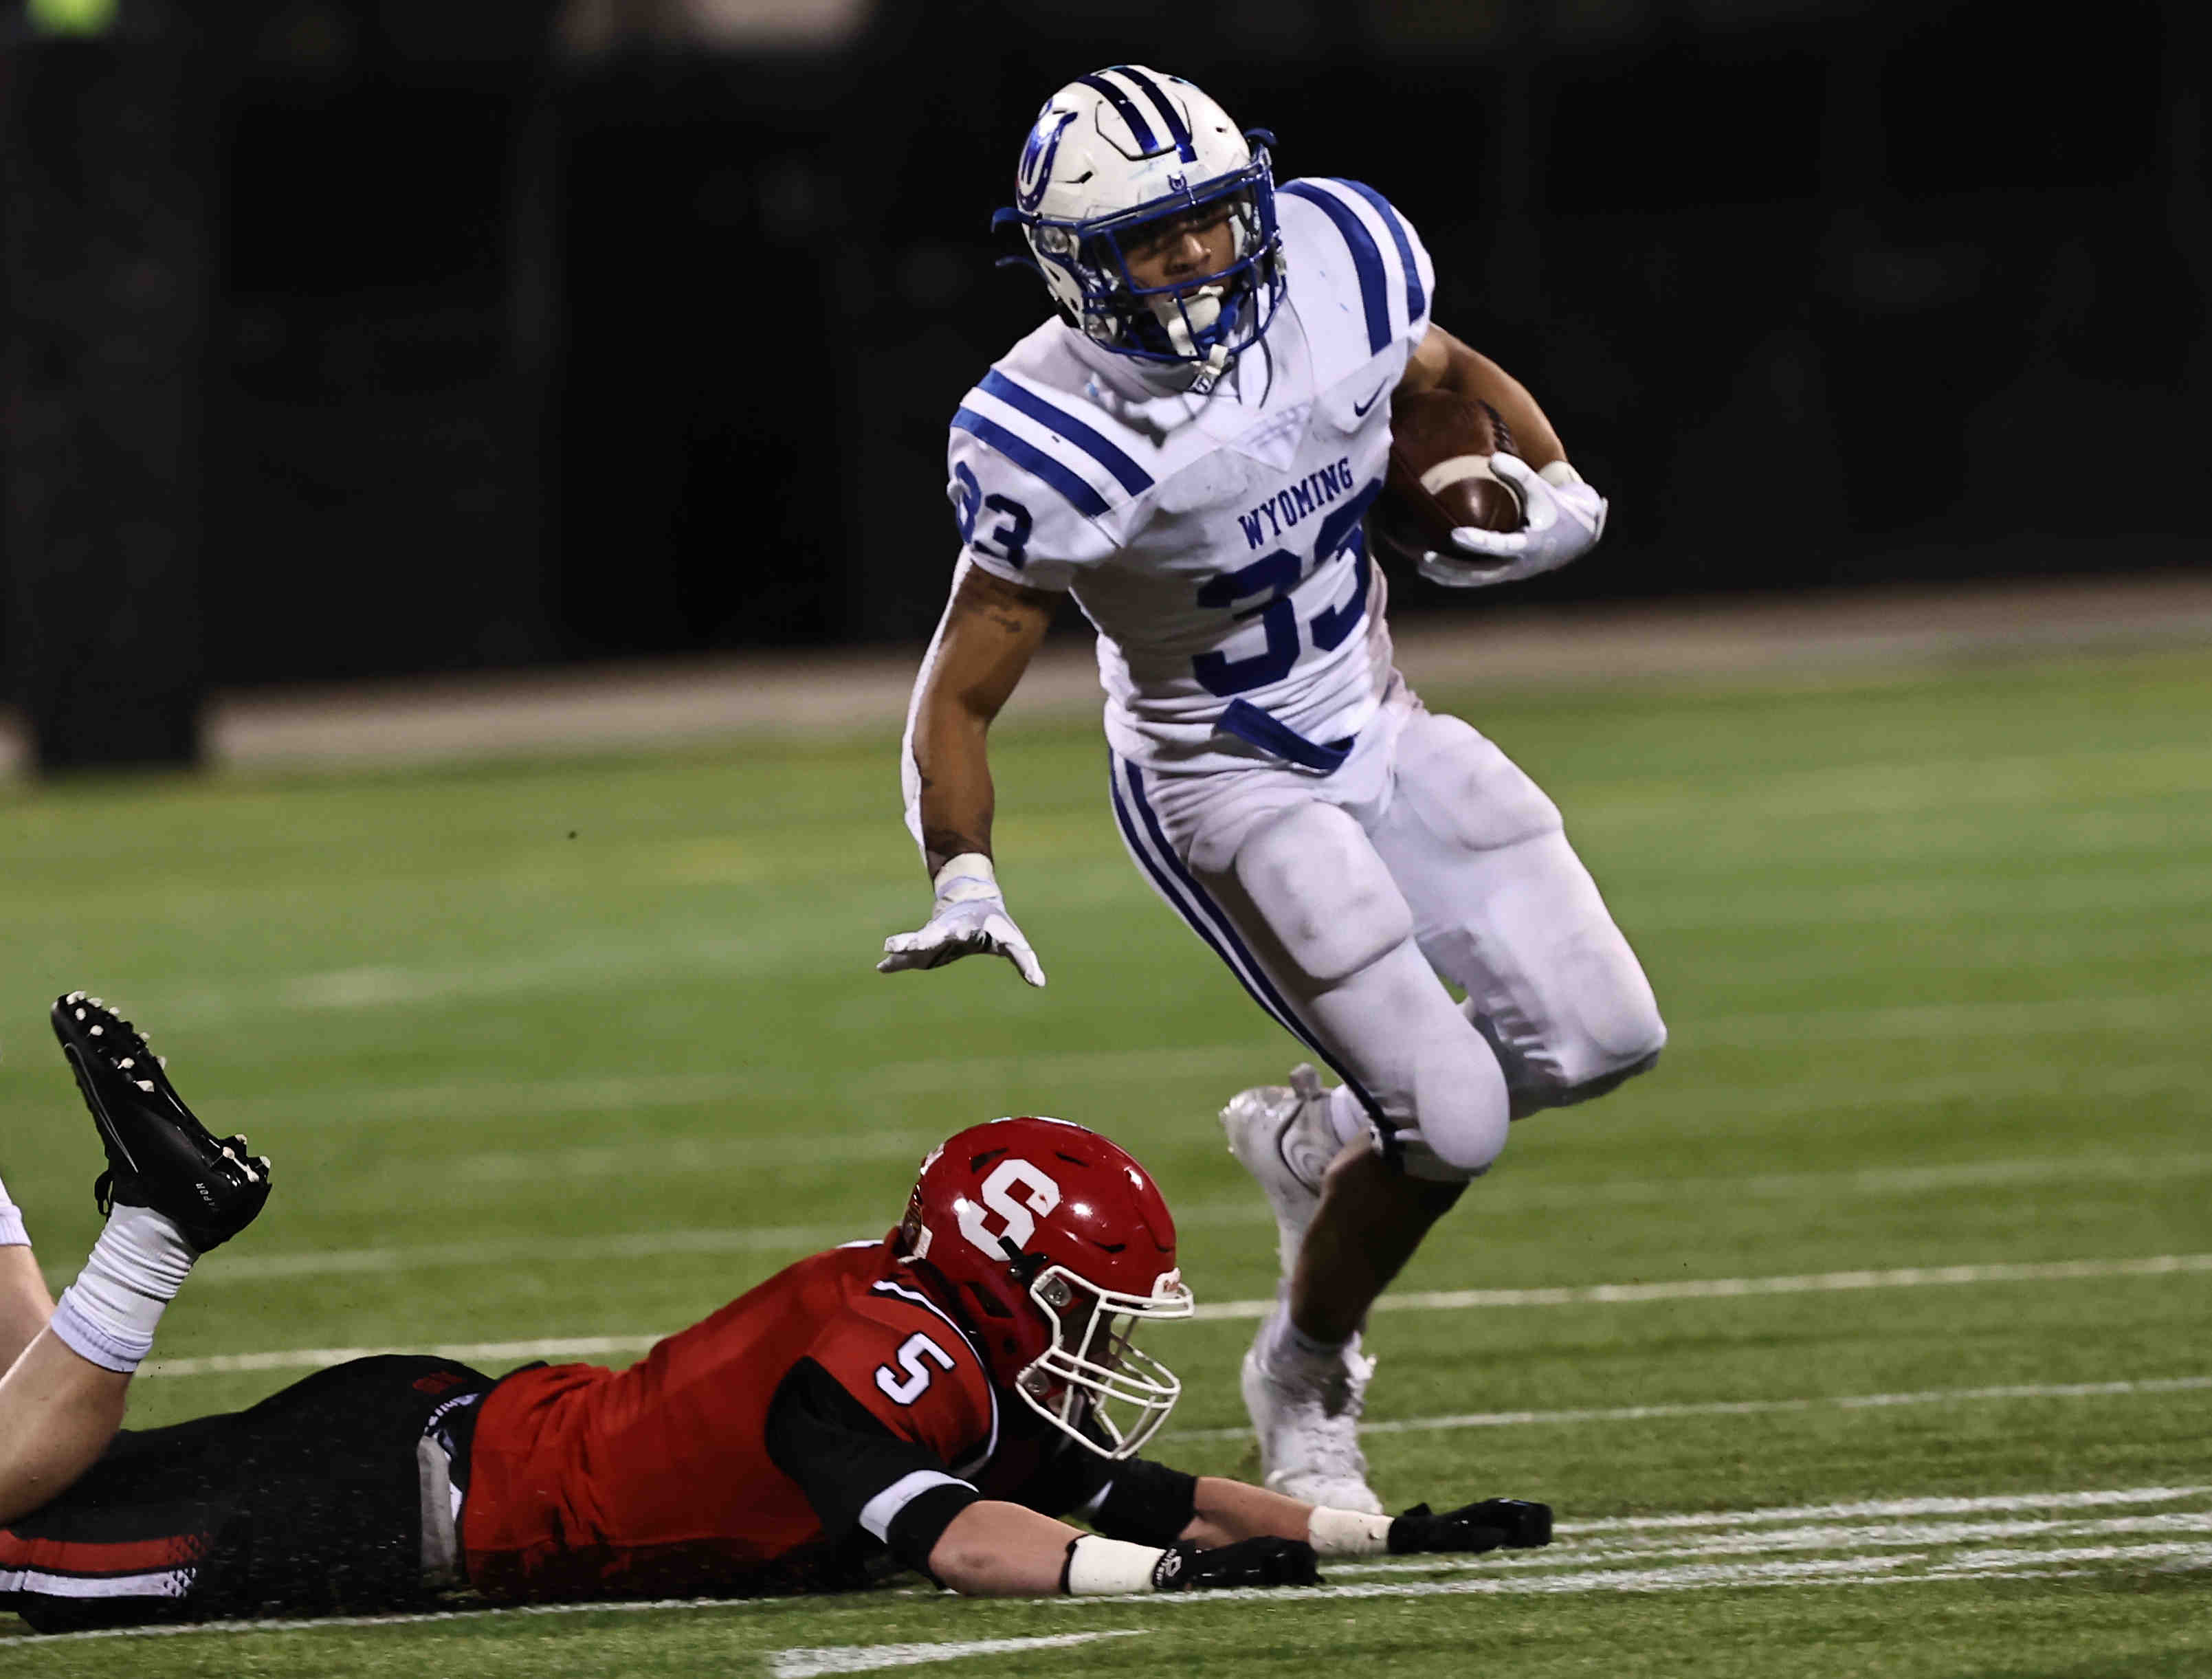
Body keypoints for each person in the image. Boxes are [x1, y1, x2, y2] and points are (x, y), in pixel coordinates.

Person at [880, 66, 1667, 1513]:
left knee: (1606, 1037)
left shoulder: (1338, 253)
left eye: (1211, 220)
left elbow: (1442, 374)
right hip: (1222, 777)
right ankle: (1302, 1374)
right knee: (1455, 1123)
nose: (1195, 258)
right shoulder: (1045, 431)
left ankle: (1321, 1145)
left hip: (1377, 715)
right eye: (1149, 241)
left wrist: (1554, 485)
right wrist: (962, 869)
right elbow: (961, 686)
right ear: (1072, 265)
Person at [0, 993, 1550, 1632]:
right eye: (1083, 1302)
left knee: (37, 1477)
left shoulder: (931, 1333)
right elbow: (960, 1542)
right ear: (1000, 1274)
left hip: (424, 1443)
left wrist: (1376, 1536)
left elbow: (1139, 1491)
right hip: (376, 1500)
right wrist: (1165, 1582)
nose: (1104, 1337)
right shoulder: (890, 1351)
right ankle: (154, 1227)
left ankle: (69, 1230)